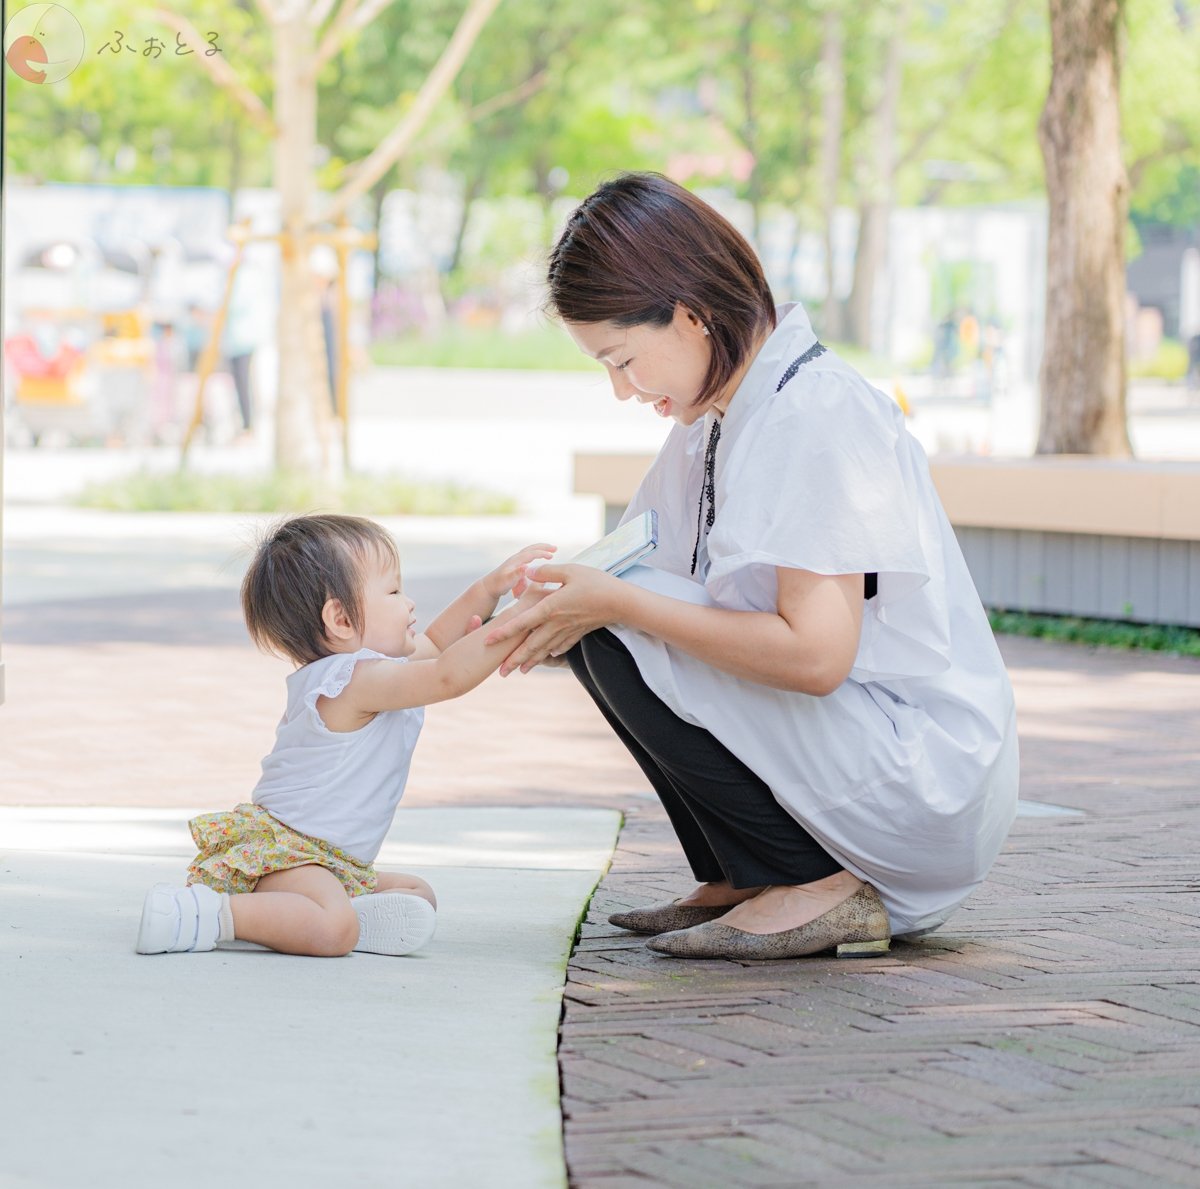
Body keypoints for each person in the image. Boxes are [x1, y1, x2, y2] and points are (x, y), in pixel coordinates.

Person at [487, 172, 1019, 960]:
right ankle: (745, 872)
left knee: (619, 609)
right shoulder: (718, 418)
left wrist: (612, 599)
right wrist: (533, 597)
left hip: (920, 781)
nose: (621, 391)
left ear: (692, 315)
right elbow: (623, 568)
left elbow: (816, 656)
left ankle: (809, 877)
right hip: (862, 752)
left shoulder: (815, 411)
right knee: (600, 613)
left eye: (624, 360)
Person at [136, 514, 553, 958]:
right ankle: (206, 913)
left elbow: (436, 644)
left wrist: (489, 590)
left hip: (333, 861)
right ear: (339, 618)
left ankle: (323, 916)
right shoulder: (351, 680)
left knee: (417, 894)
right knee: (334, 931)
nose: (410, 603)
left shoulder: (376, 672)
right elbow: (448, 675)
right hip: (290, 853)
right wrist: (524, 616)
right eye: (393, 592)